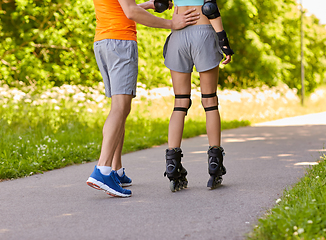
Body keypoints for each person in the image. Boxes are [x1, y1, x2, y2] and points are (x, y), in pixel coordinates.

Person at [86, 0, 200, 197]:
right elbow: (130, 12)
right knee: (119, 109)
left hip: (104, 41)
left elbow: (121, 7)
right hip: (120, 42)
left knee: (120, 109)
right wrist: (171, 23)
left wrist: (148, 5)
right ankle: (102, 170)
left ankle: (116, 169)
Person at [162, 0, 234, 191]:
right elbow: (210, 7)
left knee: (180, 102)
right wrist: (223, 40)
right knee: (210, 101)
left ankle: (172, 165)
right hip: (203, 31)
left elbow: (161, 3)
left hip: (178, 35)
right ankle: (215, 164)